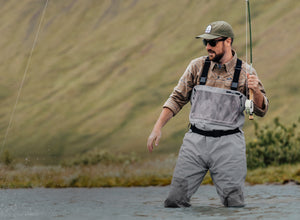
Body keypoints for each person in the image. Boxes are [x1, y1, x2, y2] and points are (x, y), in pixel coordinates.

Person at [147, 21, 268, 208]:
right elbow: (177, 98)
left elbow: (261, 110)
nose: (208, 47)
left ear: (228, 41)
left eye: (212, 42)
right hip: (195, 142)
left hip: (230, 145)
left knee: (233, 204)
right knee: (174, 201)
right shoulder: (196, 66)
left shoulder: (246, 72)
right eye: (205, 43)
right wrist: (157, 127)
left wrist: (256, 91)